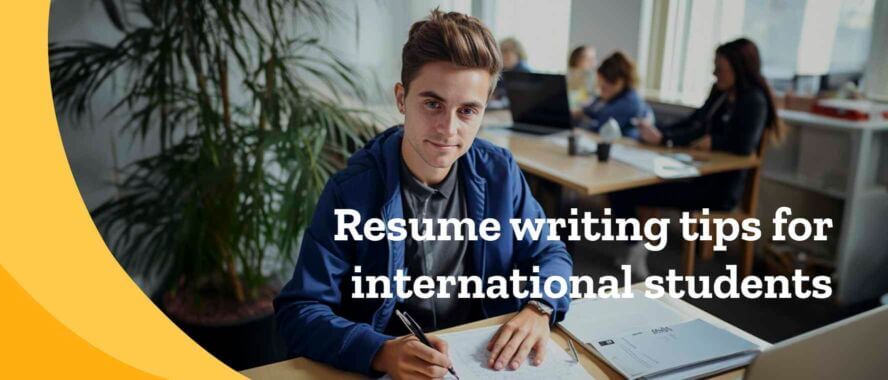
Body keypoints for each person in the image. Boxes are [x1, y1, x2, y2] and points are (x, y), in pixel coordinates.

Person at [274, 10, 573, 379]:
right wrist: (378, 351)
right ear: (402, 99)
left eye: (467, 110)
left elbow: (549, 252)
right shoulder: (350, 191)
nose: (448, 129)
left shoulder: (500, 172)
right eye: (433, 104)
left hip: (482, 359)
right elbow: (300, 309)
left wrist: (540, 306)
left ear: (485, 109)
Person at [611, 38, 785, 279]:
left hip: (719, 189)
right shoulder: (721, 93)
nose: (715, 74)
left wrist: (715, 141)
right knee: (623, 185)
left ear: (739, 67)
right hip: (695, 175)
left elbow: (744, 146)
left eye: (720, 68)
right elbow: (695, 122)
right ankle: (635, 248)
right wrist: (663, 135)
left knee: (625, 191)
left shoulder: (754, 101)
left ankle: (635, 248)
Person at [576, 51, 652, 138]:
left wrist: (582, 119)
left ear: (619, 82)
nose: (600, 90)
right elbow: (589, 110)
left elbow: (599, 128)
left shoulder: (629, 102)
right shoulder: (612, 96)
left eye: (603, 87)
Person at [567, 45, 597, 109]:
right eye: (589, 59)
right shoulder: (568, 79)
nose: (593, 63)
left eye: (593, 59)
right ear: (577, 60)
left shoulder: (592, 79)